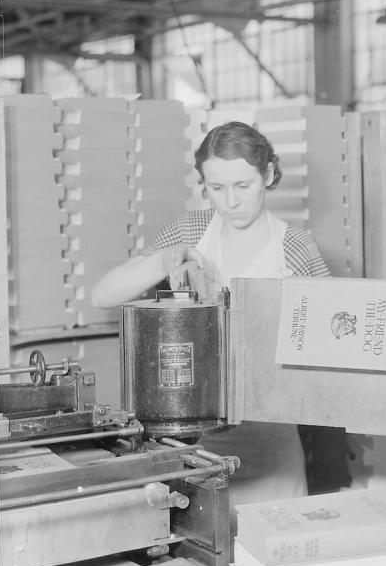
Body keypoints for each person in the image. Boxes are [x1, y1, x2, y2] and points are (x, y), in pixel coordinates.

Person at [92, 121, 330, 530]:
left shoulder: (294, 247)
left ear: (269, 175)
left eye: (243, 185)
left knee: (274, 556)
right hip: (193, 439)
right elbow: (103, 295)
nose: (230, 201)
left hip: (268, 438)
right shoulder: (191, 231)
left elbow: (332, 339)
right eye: (216, 188)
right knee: (203, 556)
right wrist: (166, 258)